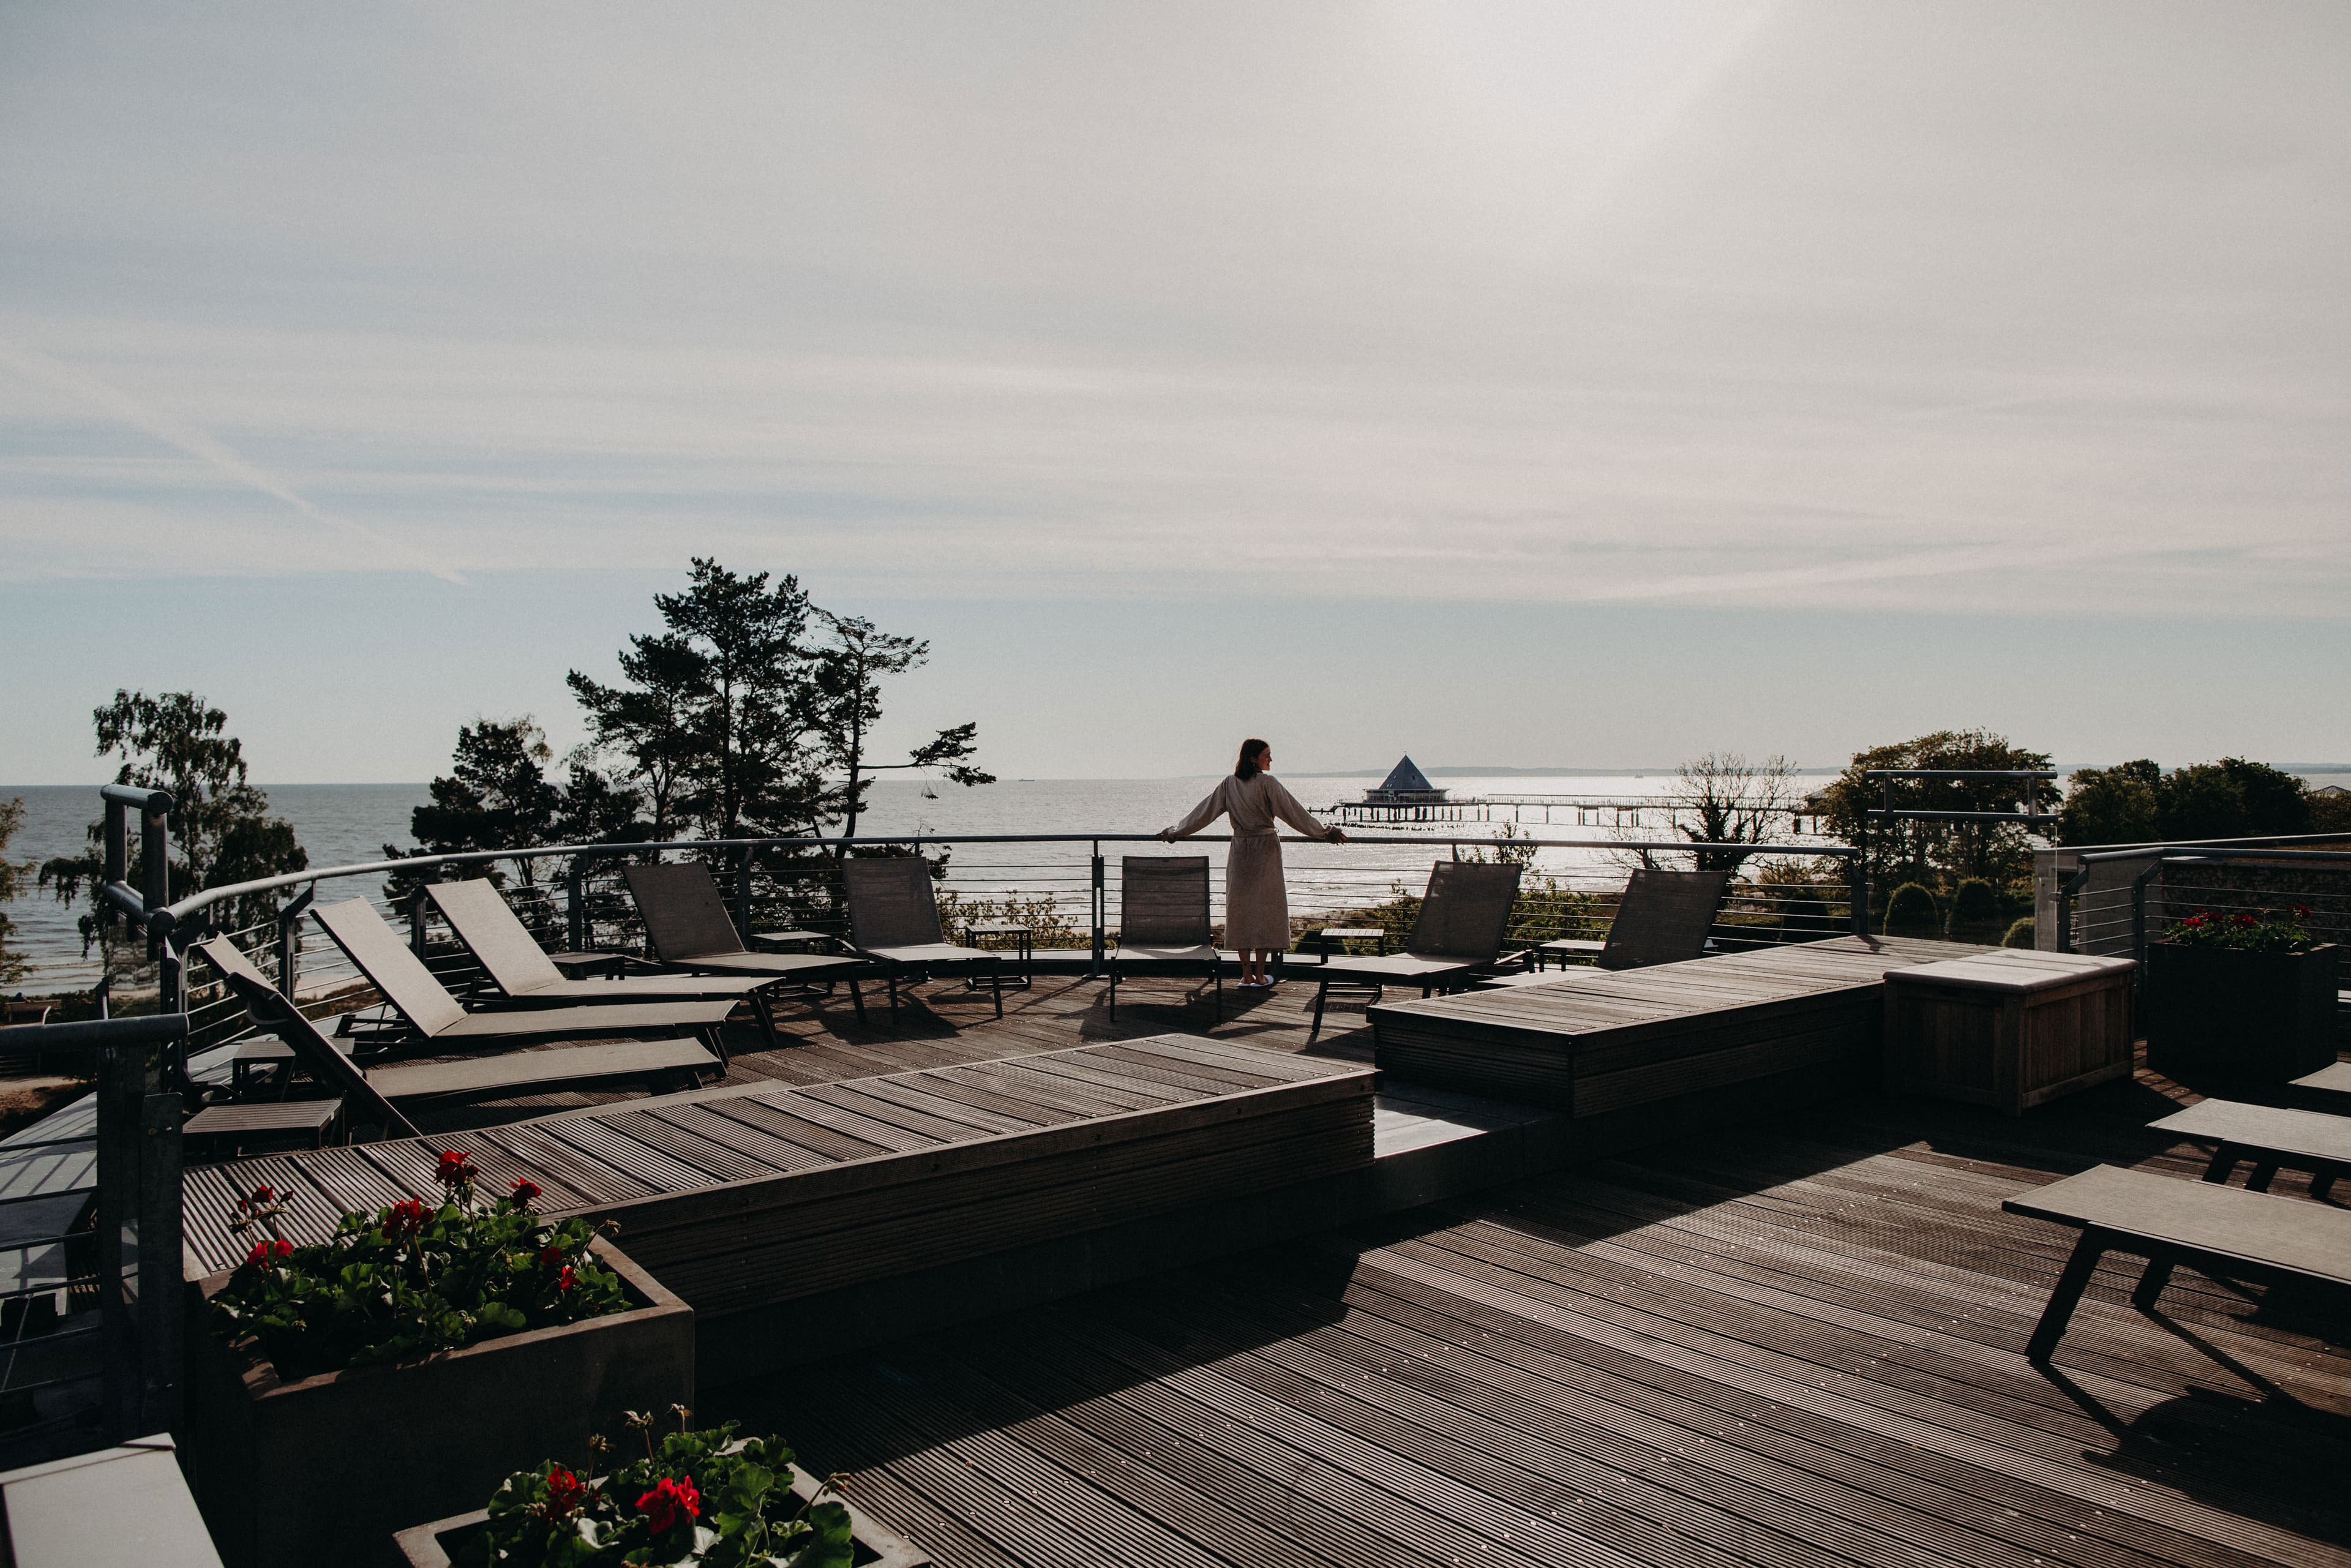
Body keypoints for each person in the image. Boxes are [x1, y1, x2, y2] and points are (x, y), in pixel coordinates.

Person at [1160, 738, 1346, 987]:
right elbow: (1295, 814)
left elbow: (1203, 813)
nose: (1271, 760)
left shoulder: (1229, 784)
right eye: (1266, 755)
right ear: (1252, 758)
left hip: (1240, 851)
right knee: (1266, 912)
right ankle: (1260, 975)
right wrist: (1324, 832)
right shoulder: (1268, 784)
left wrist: (1176, 832)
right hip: (1266, 850)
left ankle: (1245, 975)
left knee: (1241, 912)